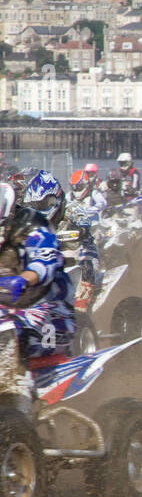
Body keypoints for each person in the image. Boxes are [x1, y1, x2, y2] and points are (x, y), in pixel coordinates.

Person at [0, 172, 76, 409]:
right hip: (7, 310)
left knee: (8, 327)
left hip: (49, 315)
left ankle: (17, 401)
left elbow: (45, 261)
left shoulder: (33, 227)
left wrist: (22, 280)